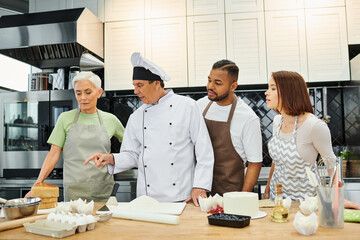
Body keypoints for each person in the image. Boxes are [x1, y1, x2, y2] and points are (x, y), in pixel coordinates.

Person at [85, 52, 214, 206]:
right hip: (147, 201)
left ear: (156, 83)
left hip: (181, 198)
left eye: (140, 85)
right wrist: (112, 158)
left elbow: (204, 150)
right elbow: (132, 154)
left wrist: (200, 186)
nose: (135, 91)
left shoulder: (187, 106)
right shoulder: (137, 116)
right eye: (134, 85)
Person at [263, 70, 360, 209]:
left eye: (272, 88)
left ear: (289, 92)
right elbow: (276, 161)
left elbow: (331, 163)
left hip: (306, 204)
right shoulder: (277, 121)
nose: (267, 92)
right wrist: (267, 190)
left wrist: (341, 198)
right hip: (277, 200)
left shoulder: (314, 125)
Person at [25, 71, 125, 202]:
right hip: (74, 192)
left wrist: (113, 159)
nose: (83, 97)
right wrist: (37, 184)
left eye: (88, 92)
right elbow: (53, 154)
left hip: (104, 190)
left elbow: (131, 149)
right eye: (78, 93)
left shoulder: (111, 120)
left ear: (99, 92)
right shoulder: (65, 118)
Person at [197, 60, 262, 196]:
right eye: (209, 80)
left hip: (230, 193)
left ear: (233, 86)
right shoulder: (199, 106)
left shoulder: (247, 117)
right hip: (199, 192)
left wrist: (242, 197)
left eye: (218, 83)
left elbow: (254, 163)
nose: (210, 86)